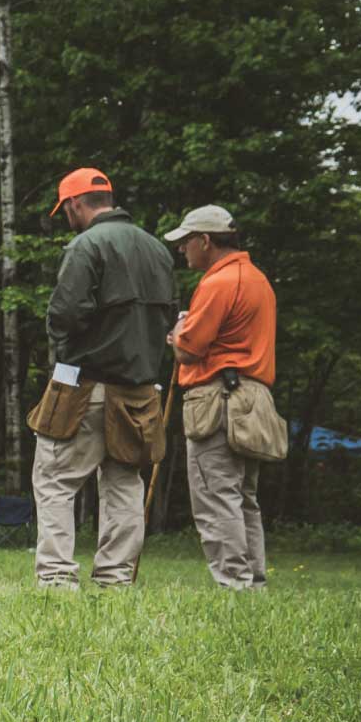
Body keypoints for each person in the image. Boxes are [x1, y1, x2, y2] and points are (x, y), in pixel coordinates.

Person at [32, 167, 177, 589]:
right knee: (124, 481)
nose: (67, 217)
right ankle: (115, 579)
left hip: (85, 386)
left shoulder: (86, 245)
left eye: (66, 210)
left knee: (55, 479)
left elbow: (64, 314)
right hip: (139, 392)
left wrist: (65, 346)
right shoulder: (157, 250)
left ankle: (57, 578)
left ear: (75, 204)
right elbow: (169, 316)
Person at [167, 203, 277, 590]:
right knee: (243, 495)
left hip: (218, 400)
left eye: (185, 242)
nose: (182, 249)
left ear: (205, 241)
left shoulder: (218, 282)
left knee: (216, 495)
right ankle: (253, 581)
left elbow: (188, 349)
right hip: (253, 398)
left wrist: (177, 332)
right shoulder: (258, 279)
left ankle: (234, 583)